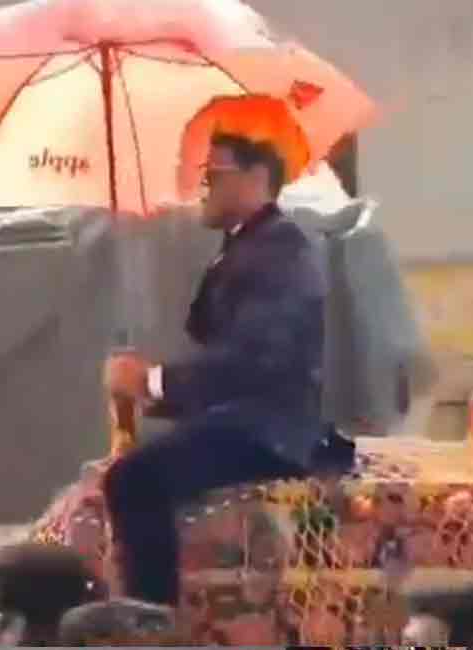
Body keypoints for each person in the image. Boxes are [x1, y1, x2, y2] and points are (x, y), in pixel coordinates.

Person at [101, 96, 329, 608]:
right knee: (140, 465)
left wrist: (152, 382)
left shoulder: (281, 253)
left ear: (255, 178)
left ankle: (152, 623)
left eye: (215, 173)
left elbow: (250, 362)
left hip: (268, 430)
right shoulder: (249, 246)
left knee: (134, 480)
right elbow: (209, 335)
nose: (204, 182)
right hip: (244, 419)